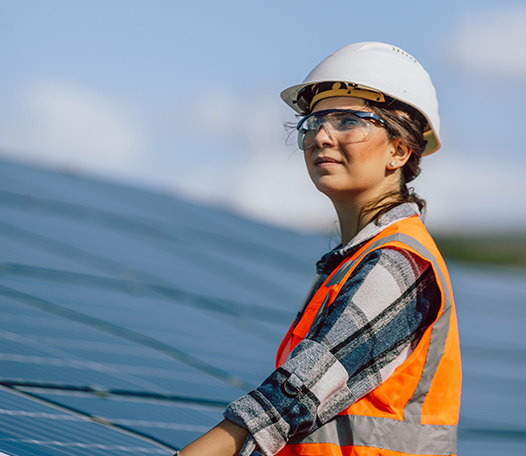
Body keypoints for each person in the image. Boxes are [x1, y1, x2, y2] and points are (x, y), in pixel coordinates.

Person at [177, 42, 462, 456]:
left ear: (399, 150)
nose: (322, 136)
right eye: (313, 122)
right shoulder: (351, 261)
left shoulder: (400, 263)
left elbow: (295, 393)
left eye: (349, 120)